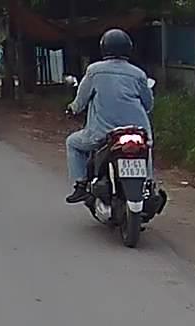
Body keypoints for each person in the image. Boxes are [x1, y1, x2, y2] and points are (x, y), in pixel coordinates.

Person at [64, 29, 154, 204]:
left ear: (103, 48)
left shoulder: (94, 71)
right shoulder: (138, 74)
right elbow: (148, 104)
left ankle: (80, 185)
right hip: (138, 131)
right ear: (128, 48)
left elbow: (80, 101)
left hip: (104, 134)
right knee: (145, 148)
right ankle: (149, 185)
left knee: (72, 143)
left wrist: (72, 109)